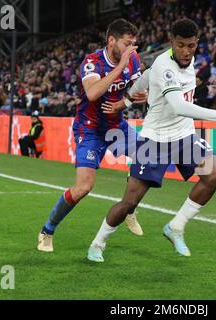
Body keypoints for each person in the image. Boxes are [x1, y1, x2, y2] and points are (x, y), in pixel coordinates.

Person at [87, 18, 216, 263]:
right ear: (171, 42)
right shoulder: (165, 65)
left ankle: (176, 227)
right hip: (155, 141)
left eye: (191, 46)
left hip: (184, 137)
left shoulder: (185, 60)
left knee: (214, 174)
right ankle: (98, 243)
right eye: (181, 45)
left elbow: (146, 77)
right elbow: (178, 105)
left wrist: (127, 101)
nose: (186, 51)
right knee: (129, 202)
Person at [37, 19, 148, 252]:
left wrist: (140, 94)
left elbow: (136, 86)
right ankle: (47, 231)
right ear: (111, 41)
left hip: (116, 125)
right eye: (127, 43)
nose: (131, 49)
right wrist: (120, 66)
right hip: (90, 129)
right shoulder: (92, 62)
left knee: (147, 158)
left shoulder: (133, 59)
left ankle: (129, 208)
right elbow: (93, 93)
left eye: (133, 44)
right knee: (83, 187)